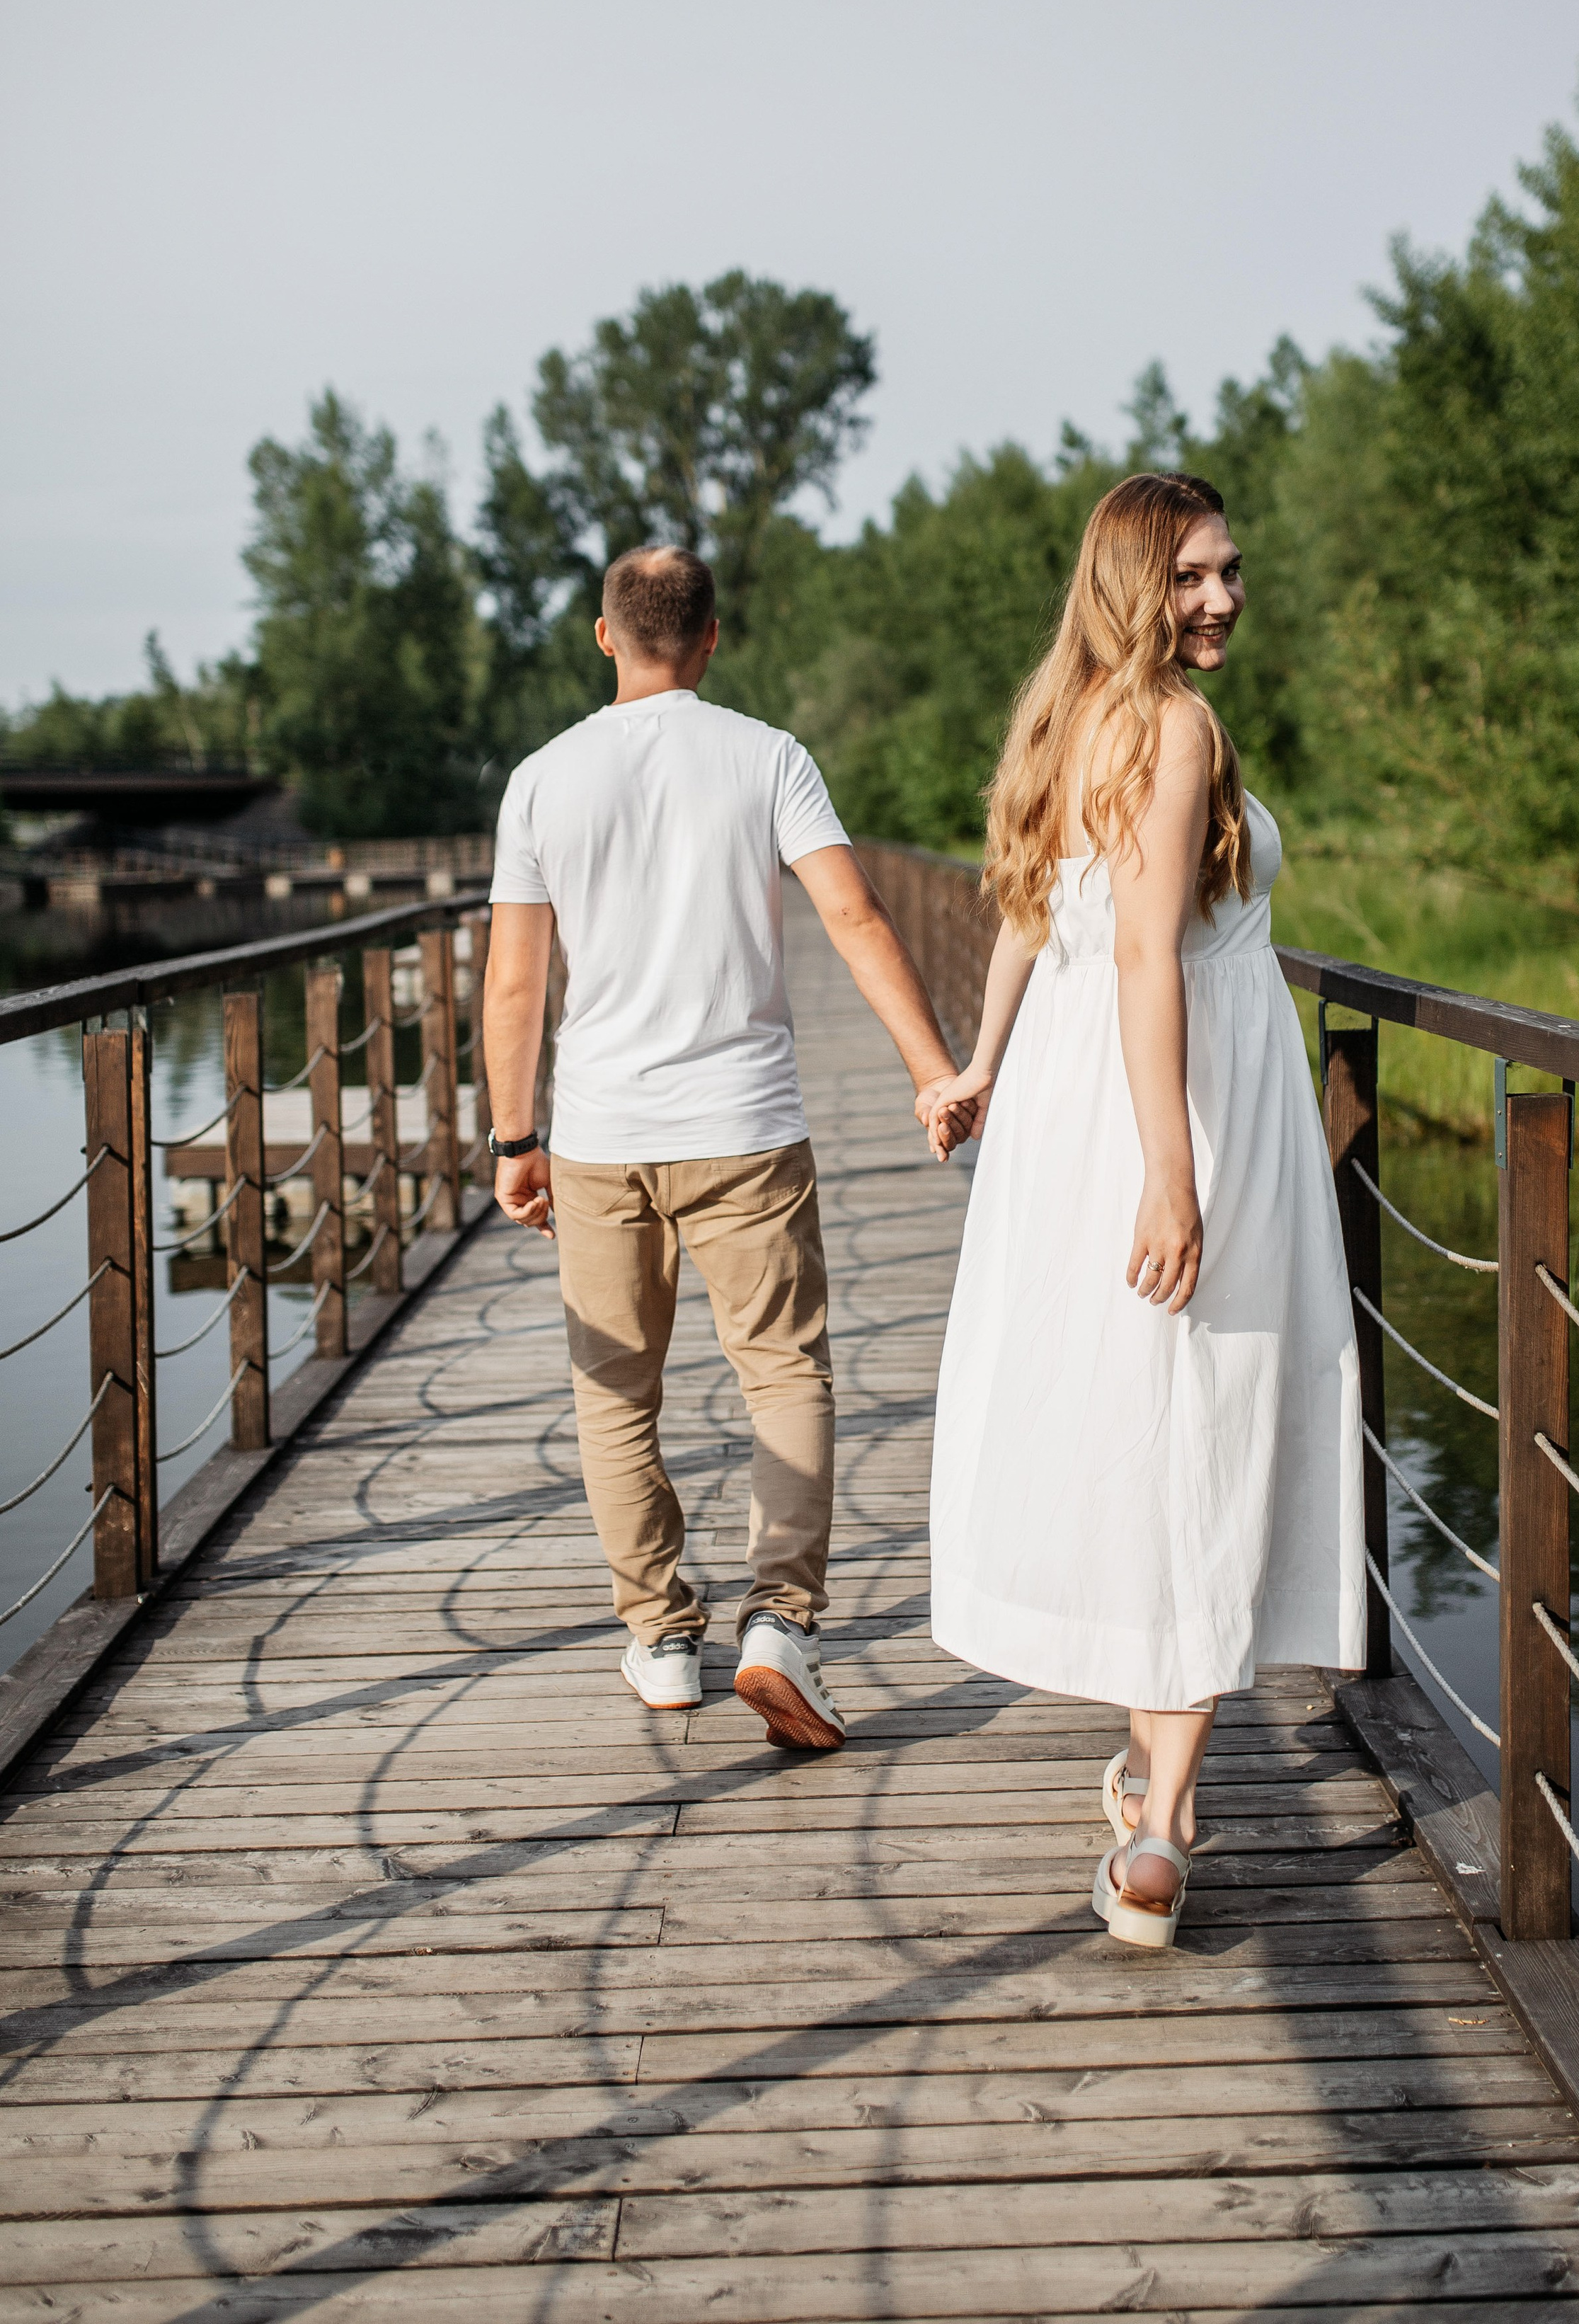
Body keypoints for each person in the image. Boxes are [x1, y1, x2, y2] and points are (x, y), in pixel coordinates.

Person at [917, 473, 1364, 1947]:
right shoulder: (1170, 727)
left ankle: (1144, 1782)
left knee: (1155, 1418)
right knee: (1205, 1424)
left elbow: (1028, 915)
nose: (1223, 596)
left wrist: (980, 1066)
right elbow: (1145, 960)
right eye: (1190, 577)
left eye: (1230, 570)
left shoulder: (1070, 713)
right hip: (1174, 1104)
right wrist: (1173, 1172)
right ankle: (1161, 1826)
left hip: (1073, 1105)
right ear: (1131, 584)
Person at [483, 544, 968, 1751]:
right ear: (711, 638)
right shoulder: (767, 756)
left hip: (599, 1135)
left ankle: (657, 1637)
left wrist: (514, 1137)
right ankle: (780, 1626)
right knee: (785, 1374)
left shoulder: (543, 779)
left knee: (615, 1395)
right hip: (746, 1127)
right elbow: (852, 913)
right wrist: (932, 1071)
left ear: (606, 636)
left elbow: (513, 981)